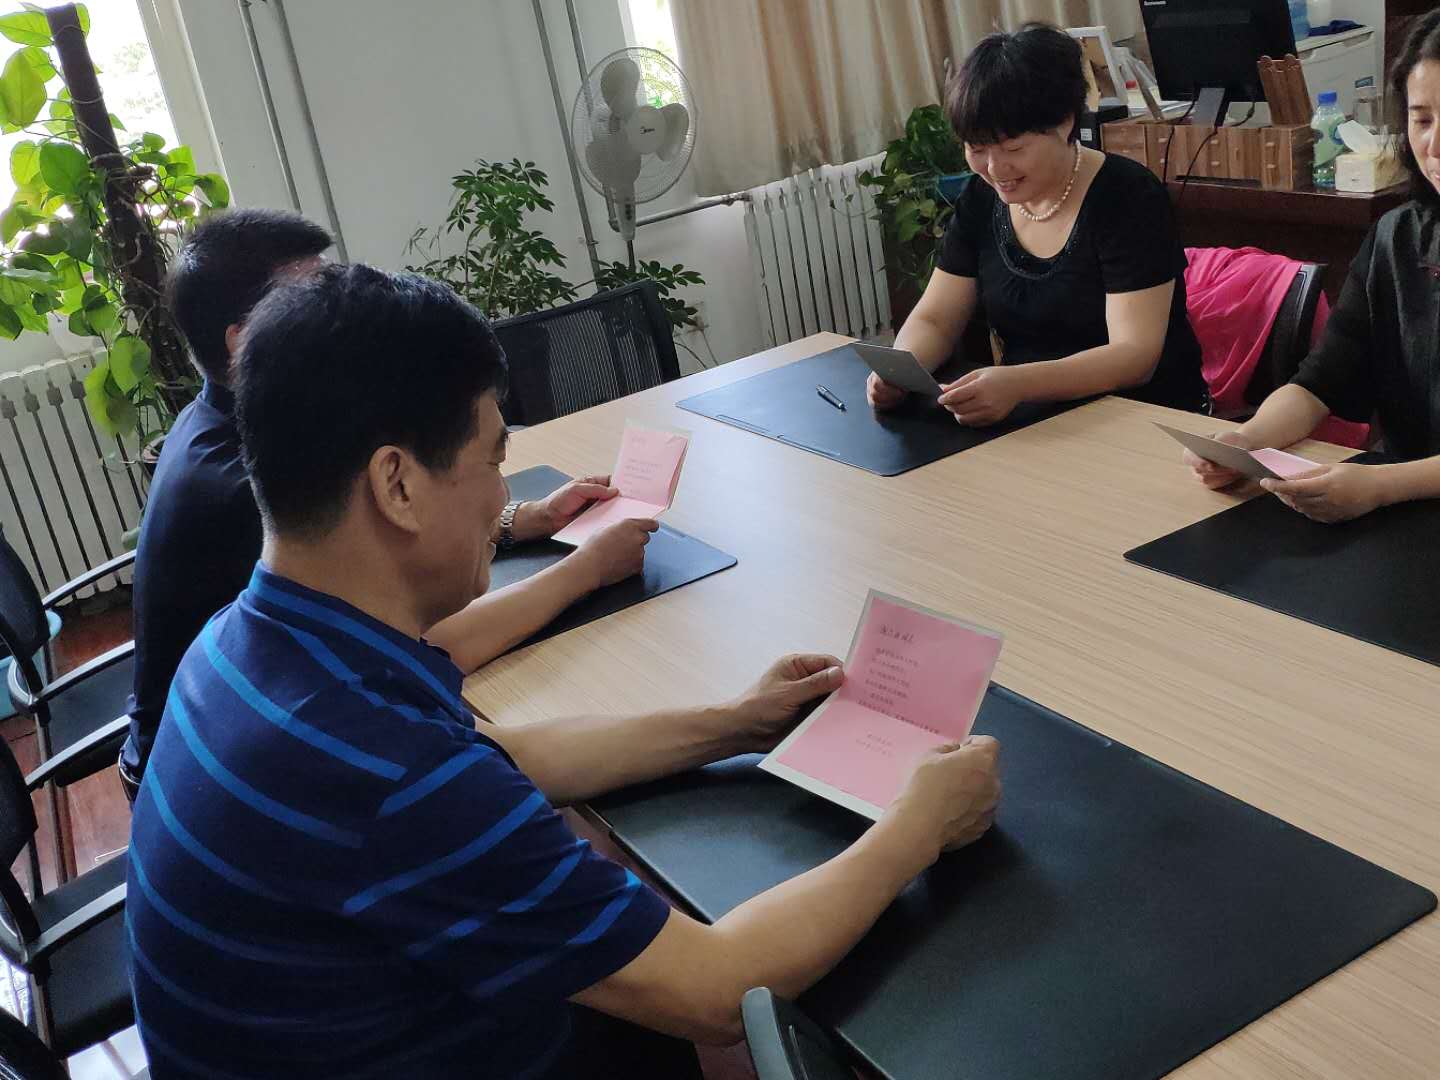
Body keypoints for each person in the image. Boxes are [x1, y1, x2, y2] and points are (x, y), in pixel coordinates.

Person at [125, 264, 1003, 1078]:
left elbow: (505, 758)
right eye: (493, 460)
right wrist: (919, 826)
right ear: (397, 485)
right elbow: (717, 989)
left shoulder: (247, 644)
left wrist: (738, 721)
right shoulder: (380, 771)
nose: (502, 499)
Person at [119, 209, 649, 800]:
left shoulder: (220, 425)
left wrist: (522, 520)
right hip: (231, 774)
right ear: (244, 345)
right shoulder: (252, 486)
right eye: (310, 299)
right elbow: (435, 646)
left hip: (220, 747)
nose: (341, 315)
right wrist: (587, 569)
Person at [867, 23, 1206, 425]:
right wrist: (901, 369)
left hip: (1142, 419)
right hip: (1030, 417)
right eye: (977, 149)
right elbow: (936, 319)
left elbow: (1134, 356)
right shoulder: (981, 198)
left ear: (1064, 123)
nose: (995, 169)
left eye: (1013, 148)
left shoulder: (1128, 196)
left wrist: (1019, 384)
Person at [1185, 10, 1440, 524]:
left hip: (1399, 496)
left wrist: (1381, 486)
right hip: (1403, 514)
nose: (1434, 146)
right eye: (1422, 120)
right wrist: (1246, 442)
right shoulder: (1397, 238)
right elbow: (1321, 381)